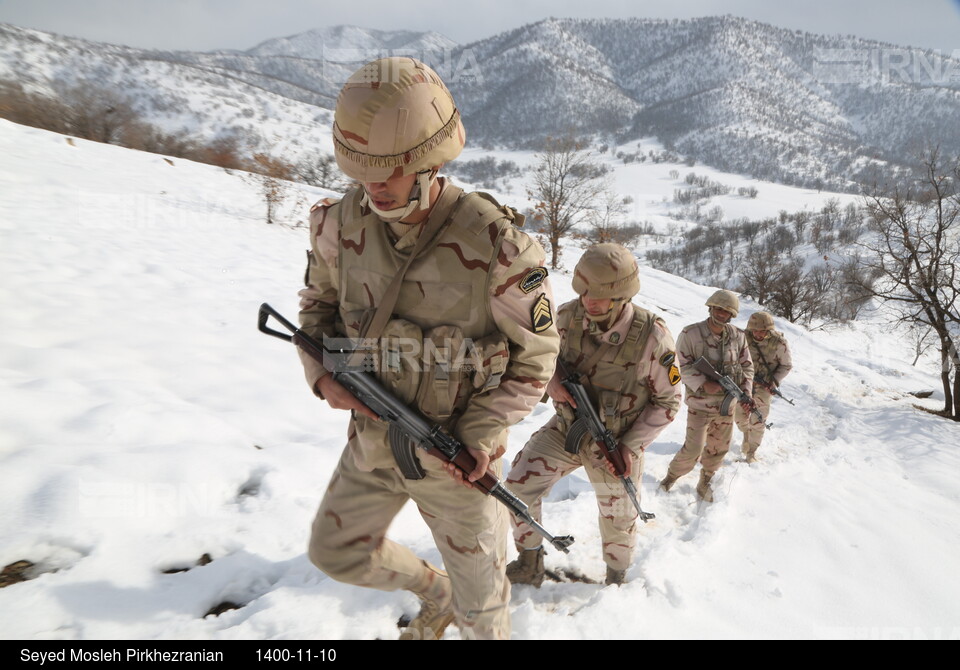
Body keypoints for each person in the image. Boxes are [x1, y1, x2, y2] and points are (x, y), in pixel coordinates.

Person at [296, 57, 560, 640]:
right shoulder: (337, 226)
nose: (374, 186)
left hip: (456, 460)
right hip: (373, 440)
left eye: (390, 170)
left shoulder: (496, 243)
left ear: (430, 159)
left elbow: (536, 357)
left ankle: (459, 604)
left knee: (485, 617)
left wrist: (481, 434)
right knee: (336, 553)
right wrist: (322, 376)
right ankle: (433, 592)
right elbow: (315, 310)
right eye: (361, 171)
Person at [504, 244, 681, 586]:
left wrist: (630, 446)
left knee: (618, 517)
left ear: (623, 295)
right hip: (566, 428)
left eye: (599, 295)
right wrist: (551, 381)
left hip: (617, 440)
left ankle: (616, 578)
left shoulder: (652, 337)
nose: (589, 302)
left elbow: (668, 401)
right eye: (584, 291)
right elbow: (538, 359)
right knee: (516, 486)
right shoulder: (566, 318)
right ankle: (529, 561)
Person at [659, 290, 754, 502]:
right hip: (700, 406)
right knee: (693, 449)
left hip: (727, 407)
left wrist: (746, 391)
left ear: (732, 314)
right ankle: (670, 478)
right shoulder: (691, 334)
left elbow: (747, 366)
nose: (721, 314)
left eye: (727, 311)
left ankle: (706, 481)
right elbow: (676, 367)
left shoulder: (738, 336)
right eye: (718, 309)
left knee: (719, 448)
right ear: (710, 307)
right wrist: (703, 383)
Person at [735, 311, 792, 462]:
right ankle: (746, 433)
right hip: (743, 382)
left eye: (763, 330)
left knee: (758, 420)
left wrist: (773, 382)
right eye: (756, 330)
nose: (759, 334)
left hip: (764, 385)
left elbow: (786, 366)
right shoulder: (742, 337)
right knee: (739, 416)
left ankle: (752, 452)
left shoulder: (779, 343)